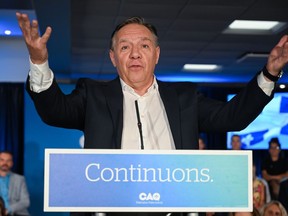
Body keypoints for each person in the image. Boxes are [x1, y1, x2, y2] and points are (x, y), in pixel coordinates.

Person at [16, 12, 288, 216]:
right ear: (113, 57)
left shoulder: (185, 98)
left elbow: (234, 117)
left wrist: (269, 74)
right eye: (125, 47)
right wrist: (39, 62)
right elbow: (54, 112)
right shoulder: (93, 95)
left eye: (144, 46)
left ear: (156, 54)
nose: (135, 54)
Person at [0, 151, 30, 216]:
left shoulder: (19, 179)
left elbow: (26, 202)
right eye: (2, 160)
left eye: (8, 160)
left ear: (12, 163)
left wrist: (8, 210)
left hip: (17, 213)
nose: (5, 163)